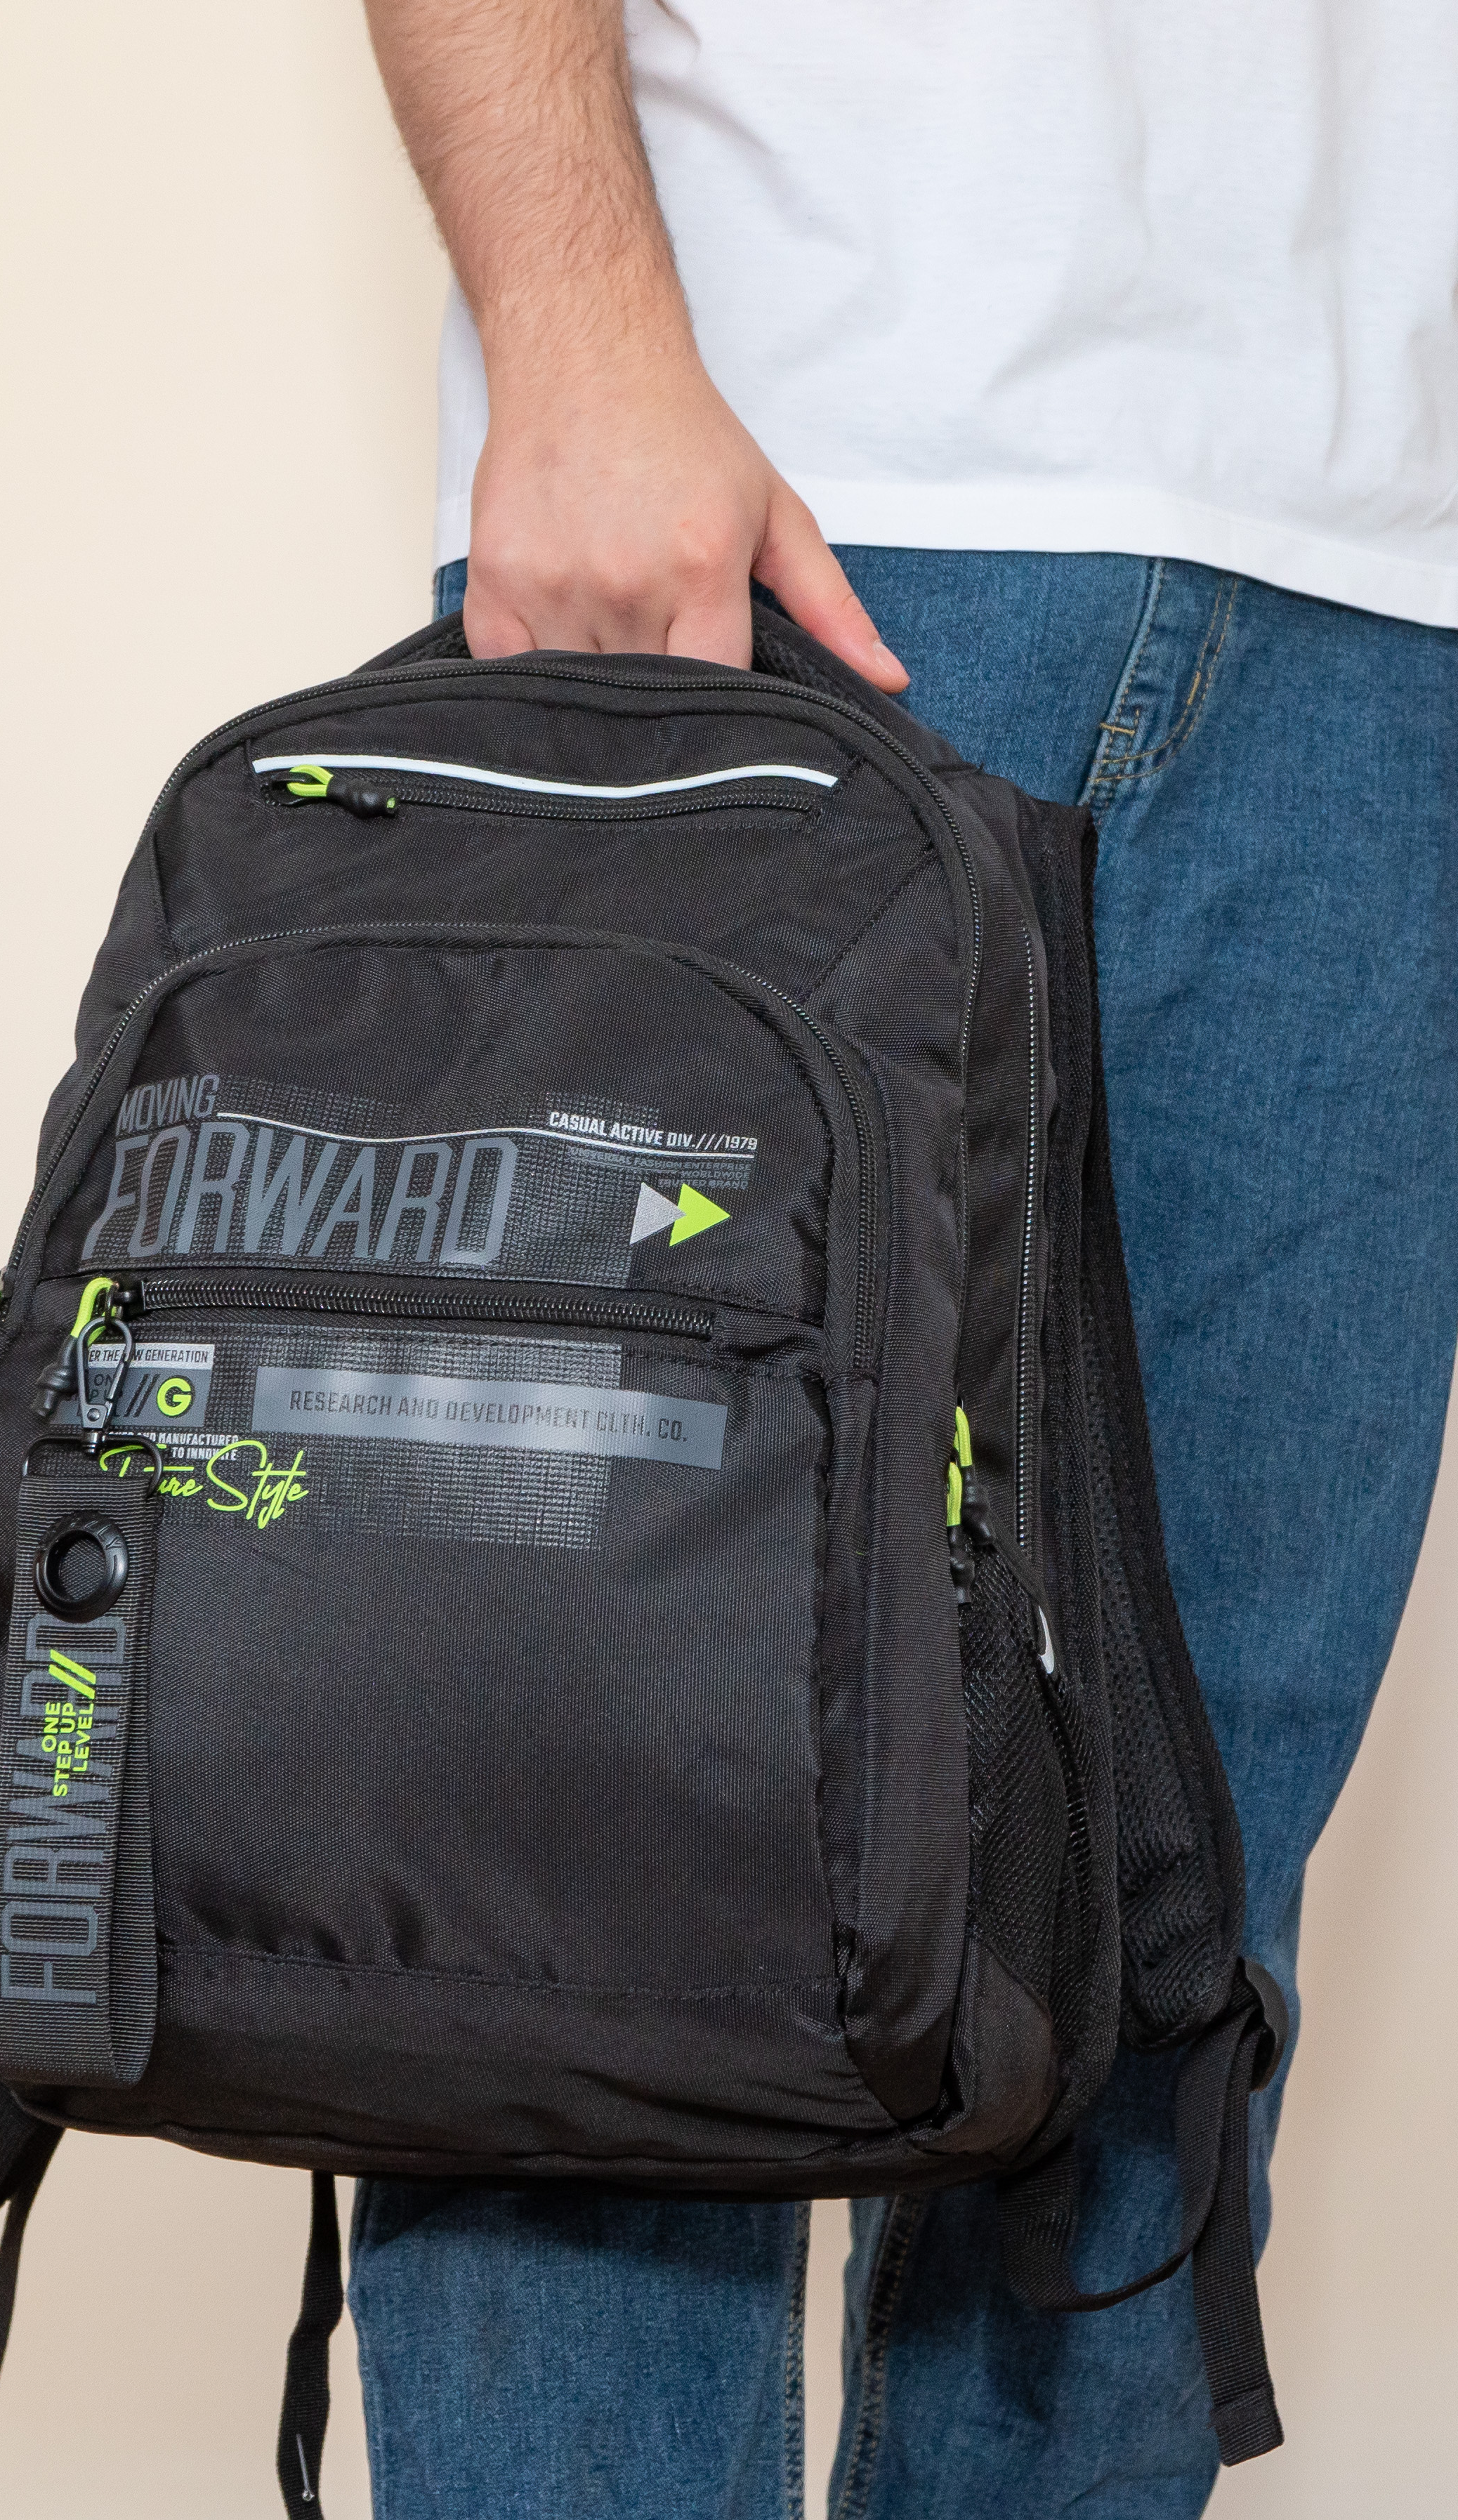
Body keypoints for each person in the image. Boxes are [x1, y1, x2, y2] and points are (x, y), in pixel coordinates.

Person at [344, 4, 1458, 2511]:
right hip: (801, 481)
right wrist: (577, 328)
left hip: (1387, 604)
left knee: (1169, 1932)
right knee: (592, 1887)